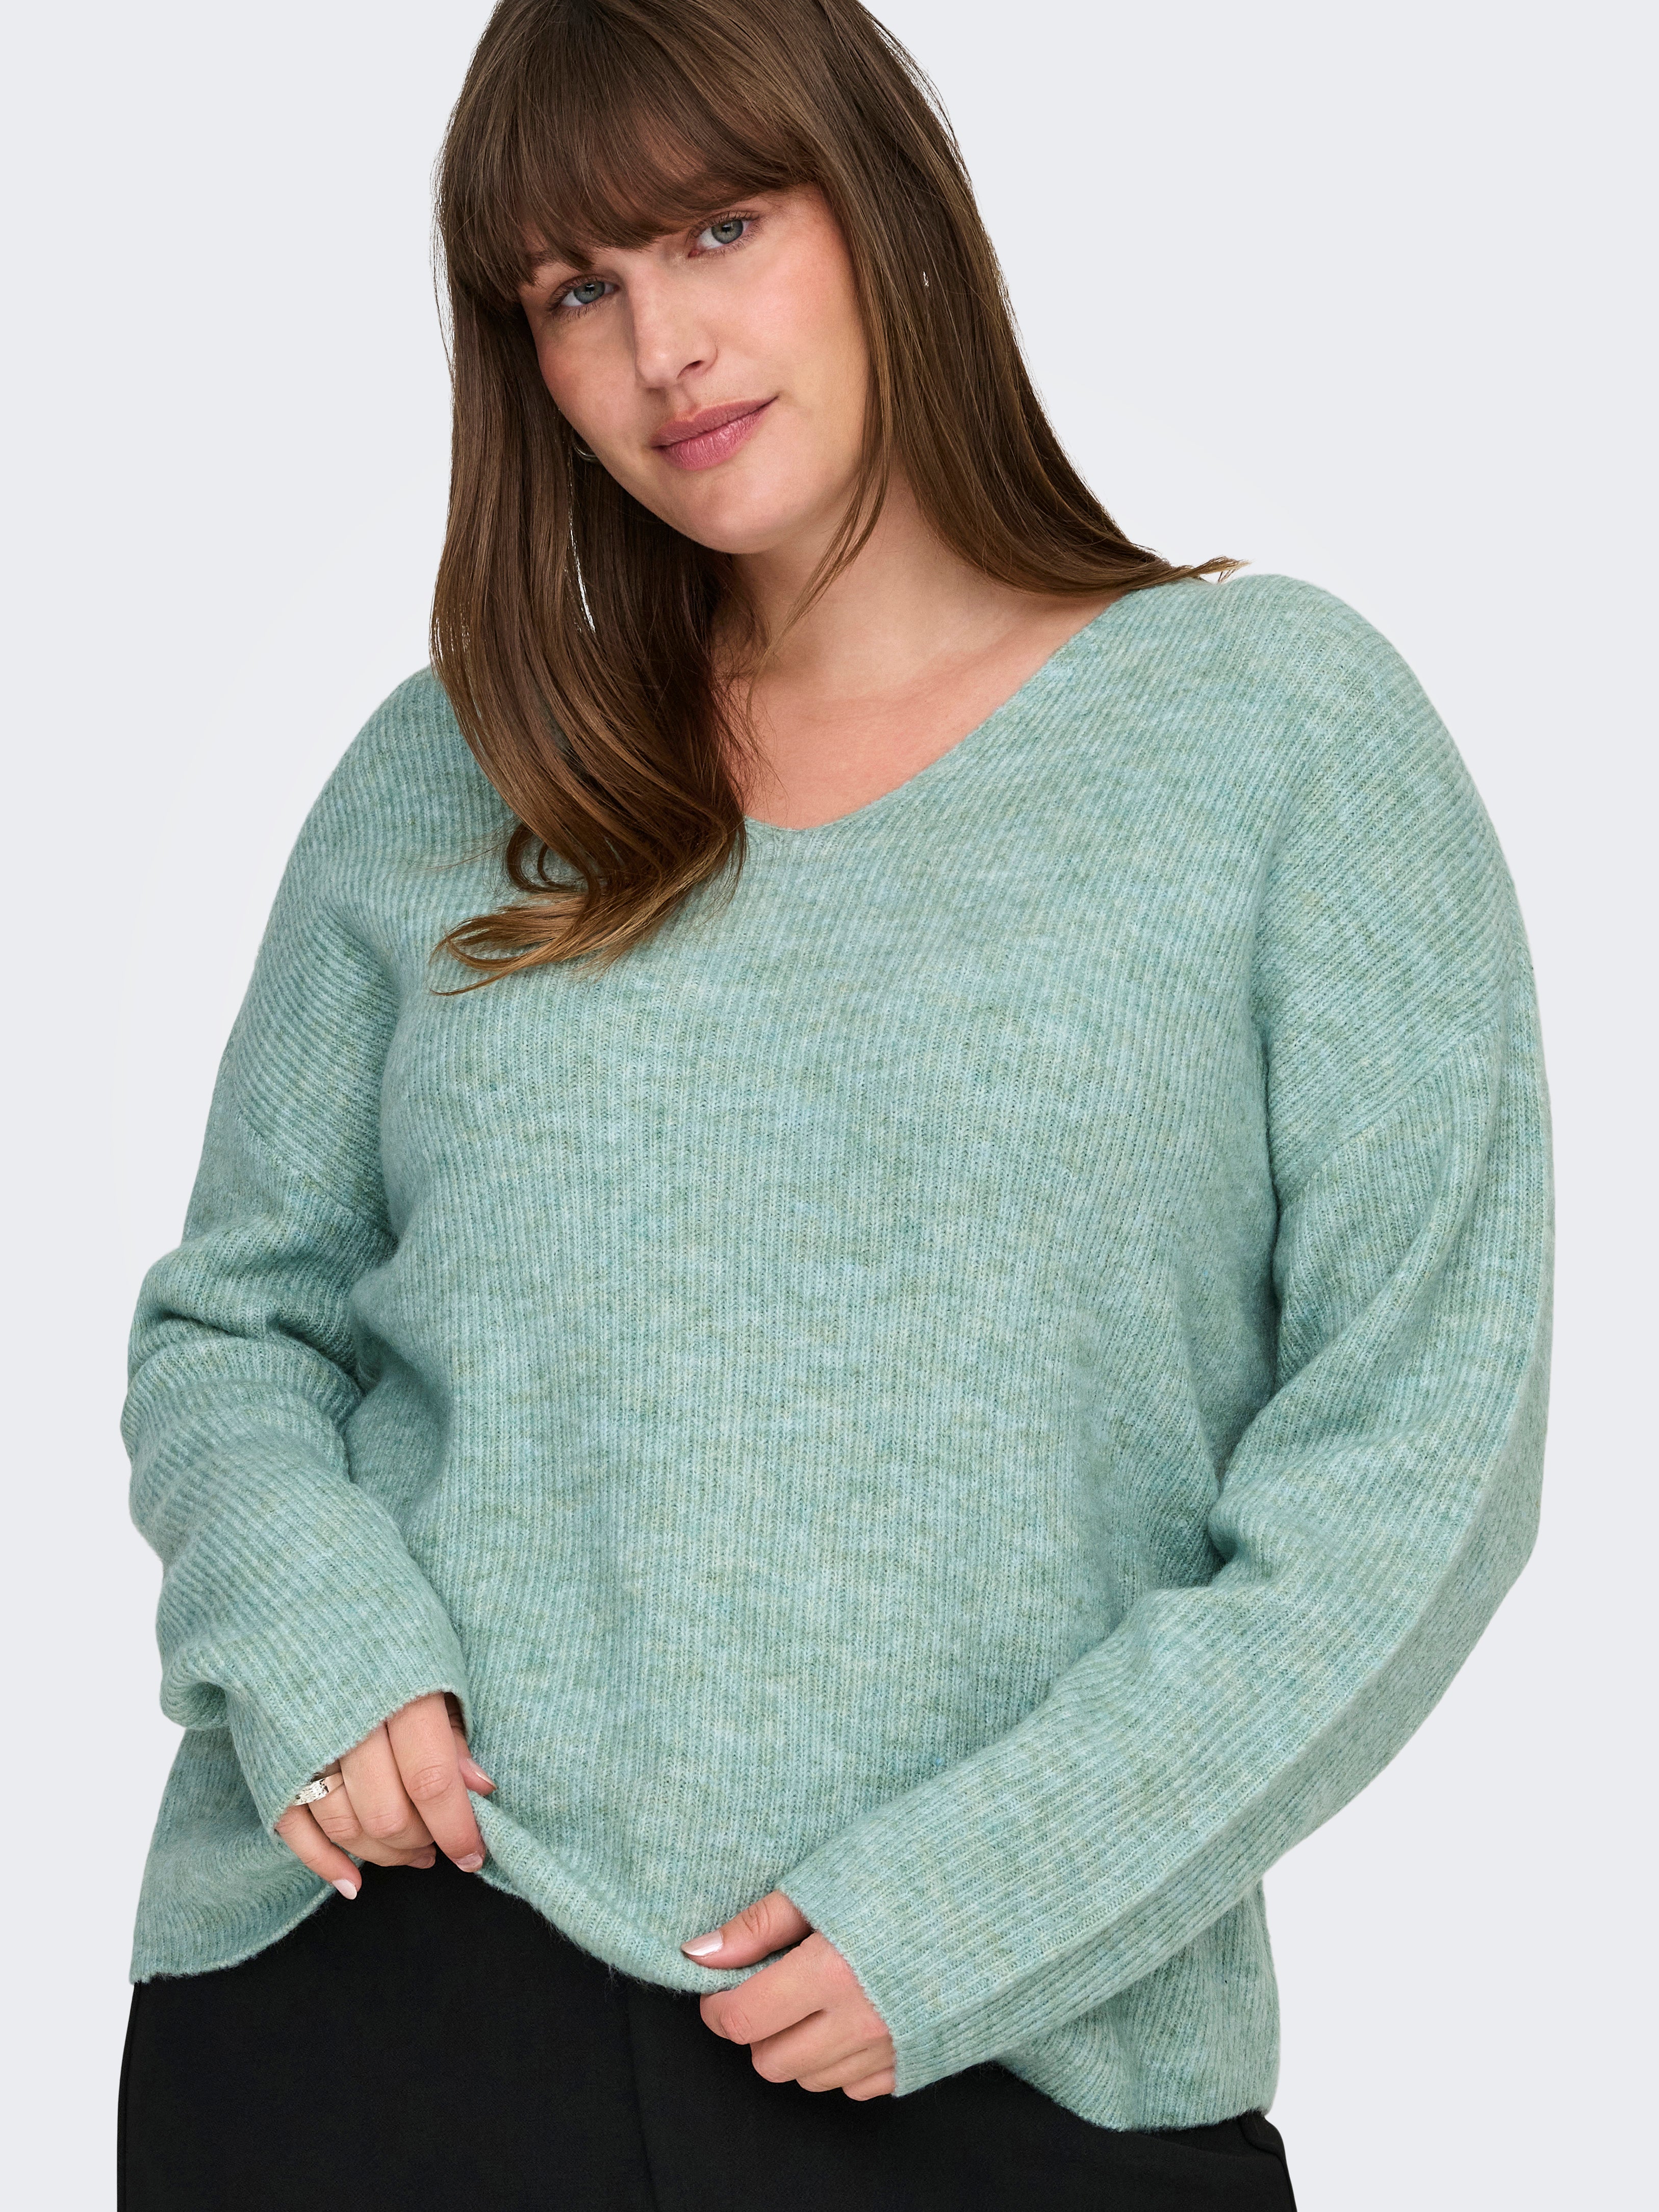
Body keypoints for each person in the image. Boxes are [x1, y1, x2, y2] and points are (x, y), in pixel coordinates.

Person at [115, 2, 1554, 2205]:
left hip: (1000, 2051)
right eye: (574, 289)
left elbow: (1424, 1452)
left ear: (884, 207)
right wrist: (310, 1634)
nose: (662, 346)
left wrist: (999, 1893)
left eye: (718, 227)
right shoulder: (459, 761)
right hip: (381, 1991)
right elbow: (240, 1323)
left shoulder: (1277, 738)